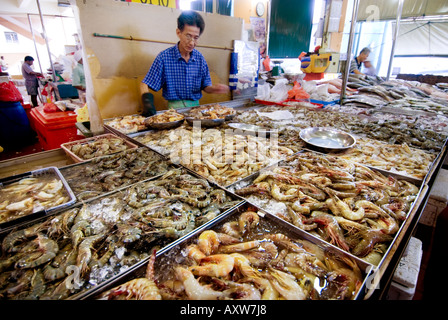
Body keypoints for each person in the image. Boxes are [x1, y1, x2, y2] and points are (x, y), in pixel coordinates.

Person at [142, 10, 229, 109]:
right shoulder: (164, 58)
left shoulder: (199, 58)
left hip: (196, 109)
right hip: (174, 110)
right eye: (188, 36)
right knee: (178, 125)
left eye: (196, 38)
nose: (192, 43)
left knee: (197, 125)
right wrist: (147, 102)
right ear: (178, 32)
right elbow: (144, 84)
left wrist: (213, 89)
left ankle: (197, 125)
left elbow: (206, 87)